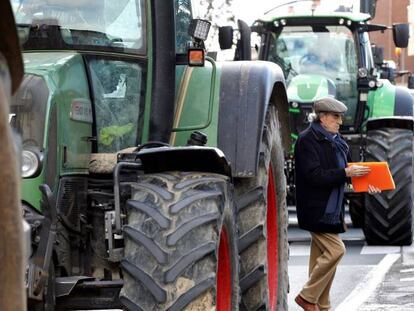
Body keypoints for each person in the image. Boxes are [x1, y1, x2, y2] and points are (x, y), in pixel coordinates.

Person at [293, 97, 380, 311]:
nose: (340, 121)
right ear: (322, 117)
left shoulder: (338, 142)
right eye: (336, 117)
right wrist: (345, 173)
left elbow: (346, 178)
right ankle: (307, 296)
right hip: (316, 209)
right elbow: (314, 176)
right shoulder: (307, 140)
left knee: (320, 260)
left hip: (332, 209)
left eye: (340, 117)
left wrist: (367, 186)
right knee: (336, 251)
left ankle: (322, 306)